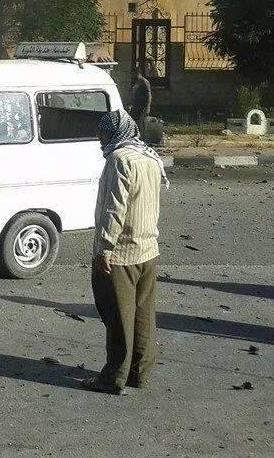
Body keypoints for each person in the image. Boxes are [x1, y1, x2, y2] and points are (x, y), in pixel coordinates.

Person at [83, 109, 168, 396]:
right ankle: (139, 372)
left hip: (122, 254)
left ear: (114, 133)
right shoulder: (149, 157)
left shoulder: (119, 160)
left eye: (102, 133)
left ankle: (113, 377)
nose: (99, 138)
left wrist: (104, 249)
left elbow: (113, 208)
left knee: (119, 317)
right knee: (143, 315)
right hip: (148, 250)